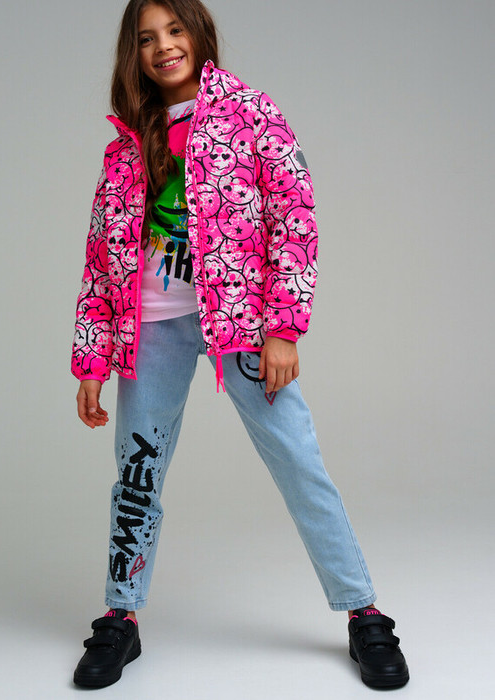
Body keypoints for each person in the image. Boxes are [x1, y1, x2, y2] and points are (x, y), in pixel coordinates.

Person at [71, 0, 409, 690]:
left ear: (198, 32)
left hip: (241, 323)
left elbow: (294, 217)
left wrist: (283, 328)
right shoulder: (126, 139)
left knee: (299, 462)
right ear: (133, 55)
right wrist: (92, 358)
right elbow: (101, 259)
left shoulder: (249, 112)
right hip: (150, 328)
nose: (164, 47)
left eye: (174, 30)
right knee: (137, 477)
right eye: (146, 38)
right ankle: (120, 616)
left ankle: (363, 612)